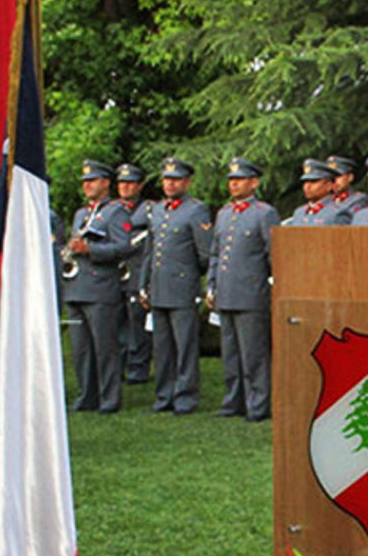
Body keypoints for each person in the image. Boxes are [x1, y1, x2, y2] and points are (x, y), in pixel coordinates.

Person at [207, 157, 279, 421]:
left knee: (254, 356)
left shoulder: (263, 212)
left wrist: (272, 287)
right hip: (226, 293)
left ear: (254, 182)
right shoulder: (224, 213)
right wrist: (211, 285)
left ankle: (258, 405)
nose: (233, 184)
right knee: (231, 355)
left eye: (239, 179)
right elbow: (216, 253)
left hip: (251, 294)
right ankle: (232, 402)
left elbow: (274, 255)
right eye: (231, 180)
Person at [139, 157, 213, 415]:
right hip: (158, 287)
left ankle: (185, 397)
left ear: (187, 182)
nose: (170, 184)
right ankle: (163, 396)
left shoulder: (196, 210)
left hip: (182, 288)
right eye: (167, 179)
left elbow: (204, 253)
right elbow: (150, 251)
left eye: (176, 179)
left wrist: (192, 279)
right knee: (162, 348)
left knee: (184, 347)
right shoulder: (158, 210)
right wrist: (143, 285)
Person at [63, 160, 132, 413]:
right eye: (85, 182)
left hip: (101, 288)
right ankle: (86, 395)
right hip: (78, 288)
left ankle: (109, 398)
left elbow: (124, 247)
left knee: (105, 348)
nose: (87, 185)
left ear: (105, 183)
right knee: (81, 349)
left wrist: (90, 249)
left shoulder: (116, 212)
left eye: (92, 181)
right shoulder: (81, 213)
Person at [115, 163, 153, 384]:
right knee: (116, 325)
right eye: (122, 184)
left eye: (130, 184)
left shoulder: (148, 209)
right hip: (114, 275)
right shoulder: (111, 210)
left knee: (137, 325)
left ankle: (138, 369)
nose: (126, 188)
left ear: (139, 186)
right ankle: (118, 366)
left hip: (137, 272)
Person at [288, 159, 349, 226]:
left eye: (313, 181)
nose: (307, 186)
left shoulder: (338, 213)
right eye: (305, 182)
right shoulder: (299, 213)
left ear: (329, 186)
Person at [327, 154, 368, 221]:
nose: (334, 180)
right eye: (331, 177)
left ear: (350, 177)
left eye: (338, 176)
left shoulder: (358, 199)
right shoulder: (326, 200)